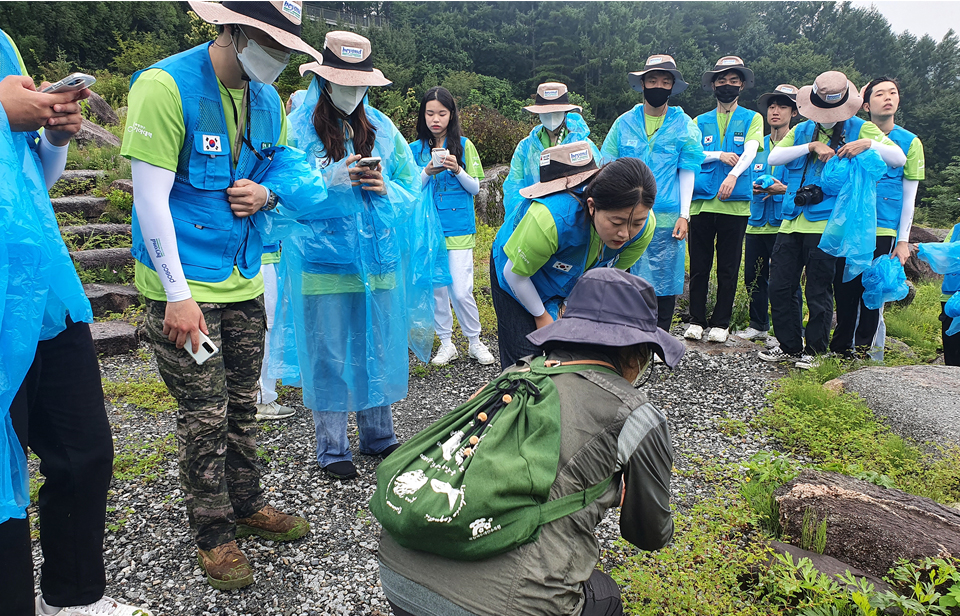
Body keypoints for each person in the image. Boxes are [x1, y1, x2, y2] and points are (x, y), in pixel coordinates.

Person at [121, 1, 321, 590]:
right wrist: (178, 297)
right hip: (183, 291)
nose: (278, 55)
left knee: (241, 406)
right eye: (267, 40)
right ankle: (213, 534)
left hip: (244, 282)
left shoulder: (267, 102)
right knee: (203, 415)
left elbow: (278, 174)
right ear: (230, 29)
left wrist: (268, 197)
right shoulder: (165, 87)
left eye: (287, 46)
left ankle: (247, 501)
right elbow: (149, 200)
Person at [378, 267, 681, 616]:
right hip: (509, 605)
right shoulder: (636, 413)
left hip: (398, 578)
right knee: (605, 596)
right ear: (637, 351)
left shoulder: (514, 375)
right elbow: (650, 534)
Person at [0, 29, 155, 616]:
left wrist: (54, 138)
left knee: (84, 448)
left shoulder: (5, 45)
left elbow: (22, 182)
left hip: (39, 291)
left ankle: (74, 595)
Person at [279, 31, 423, 481]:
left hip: (378, 260)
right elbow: (283, 192)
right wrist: (329, 179)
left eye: (360, 83)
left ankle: (378, 435)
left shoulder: (380, 126)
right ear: (323, 77)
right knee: (329, 354)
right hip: (324, 261)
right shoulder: (298, 127)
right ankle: (332, 447)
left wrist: (387, 189)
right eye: (343, 80)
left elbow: (412, 182)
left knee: (378, 345)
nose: (353, 91)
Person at [758, 71, 906, 369]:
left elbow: (898, 158)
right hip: (792, 219)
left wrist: (867, 144)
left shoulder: (860, 128)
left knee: (818, 288)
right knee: (780, 286)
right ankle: (788, 346)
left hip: (829, 225)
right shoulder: (802, 130)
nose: (825, 116)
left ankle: (815, 350)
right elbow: (775, 157)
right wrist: (811, 146)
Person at [490, 143, 657, 368]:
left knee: (568, 359)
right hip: (518, 271)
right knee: (525, 362)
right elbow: (514, 274)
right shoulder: (552, 218)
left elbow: (607, 275)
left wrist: (569, 304)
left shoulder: (644, 228)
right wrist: (542, 316)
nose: (625, 234)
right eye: (616, 222)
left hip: (569, 275)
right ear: (592, 206)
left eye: (636, 222)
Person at [601, 54, 705, 331]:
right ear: (643, 84)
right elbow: (606, 165)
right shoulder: (624, 123)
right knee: (625, 272)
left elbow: (688, 169)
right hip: (626, 214)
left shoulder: (684, 125)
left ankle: (659, 338)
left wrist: (685, 214)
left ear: (672, 87)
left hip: (667, 214)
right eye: (652, 80)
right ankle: (626, 335)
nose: (658, 85)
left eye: (665, 81)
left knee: (666, 276)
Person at [829, 77, 925, 359]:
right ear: (866, 104)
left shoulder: (909, 142)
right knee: (844, 286)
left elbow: (910, 196)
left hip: (883, 226)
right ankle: (840, 348)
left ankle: (864, 349)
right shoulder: (848, 132)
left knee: (872, 288)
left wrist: (904, 241)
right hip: (850, 224)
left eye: (893, 92)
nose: (888, 98)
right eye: (879, 94)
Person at [409, 86, 495, 366]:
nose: (436, 119)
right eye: (430, 113)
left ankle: (474, 341)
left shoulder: (465, 145)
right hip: (427, 231)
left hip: (459, 227)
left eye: (442, 113)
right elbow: (409, 190)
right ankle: (446, 343)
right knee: (437, 289)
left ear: (451, 115)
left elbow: (475, 188)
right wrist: (427, 171)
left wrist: (457, 169)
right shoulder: (414, 150)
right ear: (423, 116)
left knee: (461, 289)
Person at [685, 56, 763, 344]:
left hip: (737, 204)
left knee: (728, 266)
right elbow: (691, 153)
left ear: (741, 85)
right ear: (713, 84)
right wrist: (718, 155)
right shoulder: (699, 121)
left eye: (733, 80)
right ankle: (696, 319)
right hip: (703, 202)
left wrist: (733, 175)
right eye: (721, 80)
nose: (726, 85)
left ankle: (721, 322)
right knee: (699, 265)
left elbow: (752, 150)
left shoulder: (753, 118)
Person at [736, 84, 802, 342]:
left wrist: (783, 189)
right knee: (753, 276)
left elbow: (804, 185)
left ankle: (787, 332)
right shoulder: (757, 146)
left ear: (794, 112)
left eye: (783, 106)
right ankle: (758, 324)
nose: (775, 111)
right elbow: (743, 175)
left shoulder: (799, 145)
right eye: (771, 107)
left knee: (785, 281)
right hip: (755, 222)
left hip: (784, 224)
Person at [502, 82, 601, 224]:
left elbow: (596, 181)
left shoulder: (583, 145)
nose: (551, 116)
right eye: (546, 112)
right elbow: (514, 185)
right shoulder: (525, 147)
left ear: (565, 112)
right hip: (535, 217)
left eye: (556, 111)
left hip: (574, 219)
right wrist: (525, 214)